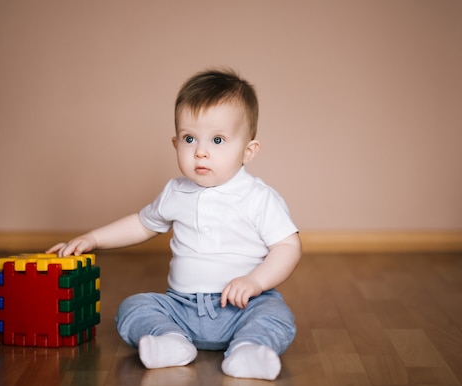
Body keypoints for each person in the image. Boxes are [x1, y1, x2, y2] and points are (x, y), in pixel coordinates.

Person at [47, 68, 302, 380]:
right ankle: (171, 341)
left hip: (245, 307)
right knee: (133, 306)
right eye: (189, 138)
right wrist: (93, 239)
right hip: (181, 308)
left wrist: (255, 283)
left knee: (276, 315)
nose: (201, 151)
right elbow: (142, 224)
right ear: (175, 143)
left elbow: (287, 246)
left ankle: (250, 348)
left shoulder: (259, 197)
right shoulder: (176, 191)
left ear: (248, 151)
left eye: (218, 139)